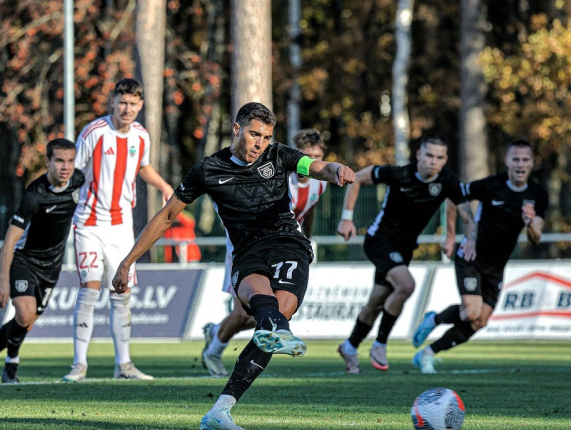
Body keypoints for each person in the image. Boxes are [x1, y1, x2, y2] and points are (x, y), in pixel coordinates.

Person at [112, 102, 355, 430]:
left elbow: (316, 166)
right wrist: (128, 261)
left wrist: (336, 168)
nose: (260, 143)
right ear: (237, 129)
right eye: (255, 134)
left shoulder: (278, 154)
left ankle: (227, 400)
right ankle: (235, 388)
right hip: (245, 251)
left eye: (266, 137)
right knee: (262, 308)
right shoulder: (208, 170)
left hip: (287, 243)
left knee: (273, 316)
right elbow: (168, 216)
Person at [63, 78, 174, 383]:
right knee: (89, 289)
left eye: (133, 104)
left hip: (122, 226)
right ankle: (79, 365)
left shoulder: (141, 135)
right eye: (122, 102)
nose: (127, 109)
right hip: (88, 222)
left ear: (140, 106)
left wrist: (164, 186)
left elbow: (143, 166)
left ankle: (123, 365)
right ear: (112, 101)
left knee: (121, 293)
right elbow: (74, 170)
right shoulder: (94, 132)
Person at [335, 134, 469, 374]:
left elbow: (456, 204)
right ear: (419, 155)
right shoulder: (399, 174)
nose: (433, 162)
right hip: (380, 241)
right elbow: (356, 179)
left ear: (445, 160)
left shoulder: (447, 180)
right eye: (429, 155)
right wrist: (346, 219)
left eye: (439, 158)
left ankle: (350, 345)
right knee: (406, 285)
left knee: (376, 301)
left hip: (404, 249)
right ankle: (380, 343)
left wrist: (450, 236)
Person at [411, 139, 548, 373]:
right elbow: (453, 196)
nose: (520, 164)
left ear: (532, 163)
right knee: (471, 311)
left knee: (479, 321)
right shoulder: (491, 185)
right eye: (516, 159)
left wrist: (530, 223)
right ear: (507, 161)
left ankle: (427, 351)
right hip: (470, 256)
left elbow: (536, 237)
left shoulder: (538, 194)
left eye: (525, 160)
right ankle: (433, 321)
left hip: (496, 267)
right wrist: (453, 236)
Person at [200, 128, 328, 376]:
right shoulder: (280, 176)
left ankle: (215, 337)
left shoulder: (318, 184)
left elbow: (307, 212)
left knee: (267, 312)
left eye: (318, 156)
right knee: (243, 314)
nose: (312, 162)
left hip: (285, 249)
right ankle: (213, 348)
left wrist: (305, 243)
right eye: (307, 155)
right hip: (248, 247)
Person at [0, 139, 85, 383]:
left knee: (27, 323)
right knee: (24, 315)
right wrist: (2, 281)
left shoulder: (79, 180)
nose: (65, 167)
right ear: (47, 162)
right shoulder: (34, 196)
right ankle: (12, 363)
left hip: (52, 266)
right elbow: (9, 241)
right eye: (59, 161)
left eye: (70, 161)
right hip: (24, 260)